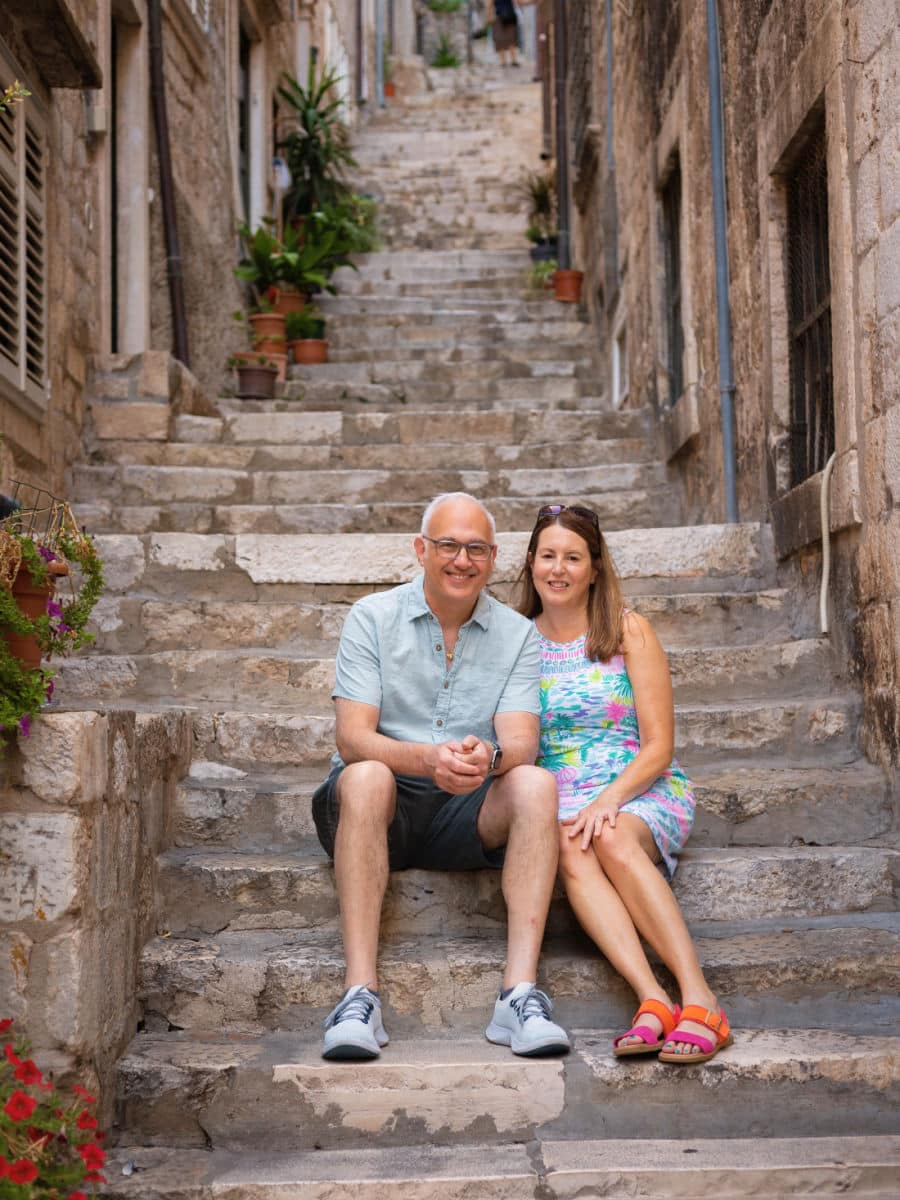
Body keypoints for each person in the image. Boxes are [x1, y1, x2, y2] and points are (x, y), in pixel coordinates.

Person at [312, 492, 570, 1061]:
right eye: (448, 545)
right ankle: (359, 998)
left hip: (467, 804)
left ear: (494, 557)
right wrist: (429, 759)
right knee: (365, 776)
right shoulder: (372, 618)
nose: (462, 560)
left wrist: (489, 759)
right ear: (421, 550)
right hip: (381, 805)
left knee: (535, 784)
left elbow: (522, 742)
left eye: (476, 548)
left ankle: (518, 997)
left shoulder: (517, 634)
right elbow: (353, 737)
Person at [517, 503, 733, 1064]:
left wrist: (609, 798)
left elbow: (661, 744)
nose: (558, 569)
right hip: (562, 799)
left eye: (572, 557)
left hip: (641, 786)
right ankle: (653, 999)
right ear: (531, 564)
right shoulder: (515, 644)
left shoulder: (627, 630)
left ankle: (701, 999)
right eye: (548, 556)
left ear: (594, 567)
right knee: (571, 842)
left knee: (608, 834)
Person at [488, 0, 520, 67]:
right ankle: (509, 61)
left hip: (505, 16)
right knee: (507, 39)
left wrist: (490, 17)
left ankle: (507, 61)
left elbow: (490, 5)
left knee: (505, 39)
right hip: (506, 16)